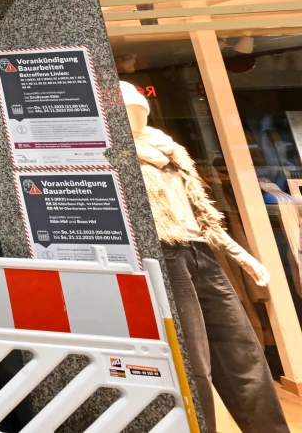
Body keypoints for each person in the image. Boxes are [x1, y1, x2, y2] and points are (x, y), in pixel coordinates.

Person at [123, 81, 287, 433]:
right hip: (163, 255)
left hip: (201, 251)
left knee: (242, 350)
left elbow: (201, 213)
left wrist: (240, 254)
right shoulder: (115, 156)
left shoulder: (169, 150)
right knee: (193, 361)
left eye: (140, 107)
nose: (135, 113)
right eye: (127, 108)